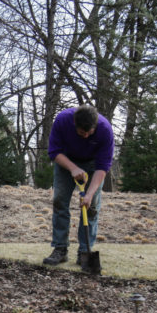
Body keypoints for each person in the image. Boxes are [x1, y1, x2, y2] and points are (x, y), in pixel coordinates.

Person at [42, 104, 114, 271]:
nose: (86, 136)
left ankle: (84, 252)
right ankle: (60, 248)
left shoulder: (105, 130)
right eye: (82, 133)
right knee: (60, 201)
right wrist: (73, 168)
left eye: (90, 133)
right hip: (65, 160)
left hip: (92, 165)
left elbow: (103, 166)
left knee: (91, 208)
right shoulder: (62, 120)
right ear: (75, 124)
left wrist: (89, 195)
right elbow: (54, 152)